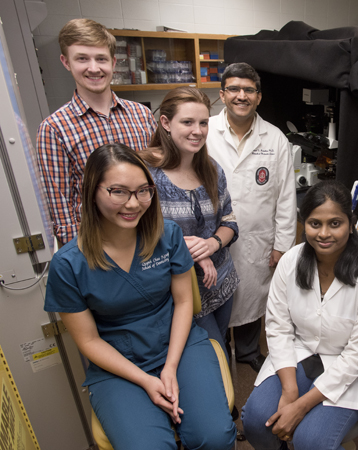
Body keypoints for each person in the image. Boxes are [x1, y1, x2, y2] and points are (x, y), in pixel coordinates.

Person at [44, 143, 236, 450]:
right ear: (93, 191)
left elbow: (185, 302)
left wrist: (170, 366)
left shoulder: (167, 235)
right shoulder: (68, 265)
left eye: (143, 190)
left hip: (178, 343)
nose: (133, 203)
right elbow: (89, 341)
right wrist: (147, 380)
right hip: (118, 361)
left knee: (214, 436)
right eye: (118, 191)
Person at [242, 181, 358, 450]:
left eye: (335, 223)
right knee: (255, 422)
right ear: (304, 223)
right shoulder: (290, 262)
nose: (324, 233)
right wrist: (289, 390)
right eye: (314, 223)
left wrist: (299, 405)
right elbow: (278, 328)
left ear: (350, 222)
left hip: (348, 368)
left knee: (311, 441)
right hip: (298, 353)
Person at [206, 62, 296, 372]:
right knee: (214, 301)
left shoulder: (275, 139)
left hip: (258, 239)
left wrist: (282, 245)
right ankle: (218, 356)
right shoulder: (204, 132)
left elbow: (286, 198)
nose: (240, 95)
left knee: (252, 298)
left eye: (248, 90)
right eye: (233, 89)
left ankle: (246, 352)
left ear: (258, 97)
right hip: (212, 239)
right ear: (222, 95)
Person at [37, 18, 156, 245]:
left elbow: (157, 180)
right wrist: (85, 261)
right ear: (66, 62)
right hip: (99, 247)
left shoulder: (141, 115)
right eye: (82, 58)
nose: (94, 68)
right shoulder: (54, 129)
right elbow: (62, 209)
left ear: (113, 61)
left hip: (149, 238)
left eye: (101, 59)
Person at [140, 87, 239, 358]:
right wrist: (189, 250)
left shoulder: (211, 169)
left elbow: (229, 221)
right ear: (165, 123)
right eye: (187, 122)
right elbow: (137, 234)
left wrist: (211, 243)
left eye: (203, 122)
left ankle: (225, 400)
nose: (198, 131)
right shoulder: (146, 174)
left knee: (223, 349)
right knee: (207, 356)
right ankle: (221, 401)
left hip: (222, 281)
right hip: (180, 292)